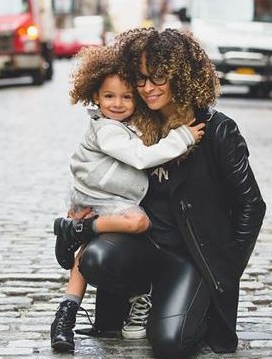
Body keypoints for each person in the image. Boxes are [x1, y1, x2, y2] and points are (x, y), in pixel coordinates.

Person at [75, 28, 267, 358]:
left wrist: (224, 268)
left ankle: (191, 302)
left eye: (158, 77)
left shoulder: (217, 130)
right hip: (145, 246)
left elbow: (252, 204)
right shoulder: (134, 124)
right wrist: (81, 206)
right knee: (96, 259)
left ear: (180, 75)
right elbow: (93, 167)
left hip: (190, 256)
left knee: (169, 343)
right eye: (141, 78)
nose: (148, 88)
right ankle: (144, 295)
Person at [50, 45, 205, 352]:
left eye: (126, 96)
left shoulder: (125, 124)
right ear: (95, 97)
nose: (118, 104)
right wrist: (183, 138)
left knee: (84, 255)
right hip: (105, 198)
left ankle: (64, 313)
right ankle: (82, 232)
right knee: (138, 221)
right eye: (109, 96)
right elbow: (139, 158)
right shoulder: (107, 130)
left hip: (101, 196)